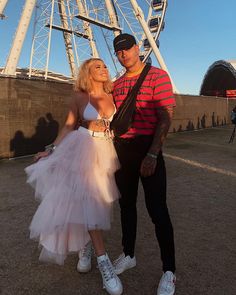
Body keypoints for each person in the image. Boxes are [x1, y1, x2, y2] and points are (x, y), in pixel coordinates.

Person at [25, 58, 123, 295]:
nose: (103, 69)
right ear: (87, 72)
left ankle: (86, 246)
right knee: (89, 201)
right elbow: (69, 126)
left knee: (99, 203)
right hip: (82, 149)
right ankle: (104, 262)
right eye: (97, 66)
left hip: (106, 152)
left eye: (104, 66)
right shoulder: (79, 97)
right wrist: (51, 150)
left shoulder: (114, 96)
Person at [112, 33, 176, 295]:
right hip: (122, 151)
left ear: (138, 48)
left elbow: (165, 116)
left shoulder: (158, 76)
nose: (123, 54)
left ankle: (169, 271)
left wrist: (152, 154)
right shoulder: (116, 85)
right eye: (118, 51)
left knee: (157, 210)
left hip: (148, 148)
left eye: (127, 48)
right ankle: (129, 253)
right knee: (126, 205)